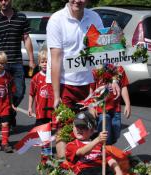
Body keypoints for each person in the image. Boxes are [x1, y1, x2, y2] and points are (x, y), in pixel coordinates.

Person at [46, 0, 120, 158]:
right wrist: (57, 95)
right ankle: (64, 167)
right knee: (63, 127)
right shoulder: (56, 19)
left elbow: (101, 52)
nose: (77, 1)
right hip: (63, 82)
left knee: (86, 125)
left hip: (86, 83)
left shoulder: (94, 18)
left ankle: (80, 164)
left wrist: (111, 79)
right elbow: (56, 58)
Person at [0, 0, 35, 129]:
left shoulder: (21, 17)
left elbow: (26, 39)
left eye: (6, 0)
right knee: (0, 93)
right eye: (1, 0)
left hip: (17, 61)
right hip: (0, 63)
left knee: (19, 91)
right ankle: (5, 116)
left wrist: (31, 60)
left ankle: (9, 112)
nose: (3, 2)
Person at [65, 110, 124, 175]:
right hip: (86, 172)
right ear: (73, 128)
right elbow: (81, 152)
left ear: (92, 131)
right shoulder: (71, 144)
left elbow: (110, 160)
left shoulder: (99, 145)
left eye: (83, 127)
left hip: (102, 169)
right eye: (77, 126)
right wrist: (98, 139)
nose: (79, 129)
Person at [90, 65, 131, 145]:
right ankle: (105, 150)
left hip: (115, 108)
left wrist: (127, 104)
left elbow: (123, 87)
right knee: (105, 132)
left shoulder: (119, 69)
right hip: (101, 108)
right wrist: (92, 106)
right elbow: (91, 89)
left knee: (116, 131)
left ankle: (106, 145)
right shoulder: (96, 70)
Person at [28, 49, 54, 155]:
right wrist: (30, 107)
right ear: (39, 63)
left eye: (47, 61)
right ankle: (46, 150)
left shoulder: (54, 76)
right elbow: (31, 94)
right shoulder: (36, 78)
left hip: (52, 110)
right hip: (40, 111)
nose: (44, 64)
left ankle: (46, 149)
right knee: (43, 131)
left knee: (49, 130)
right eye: (42, 61)